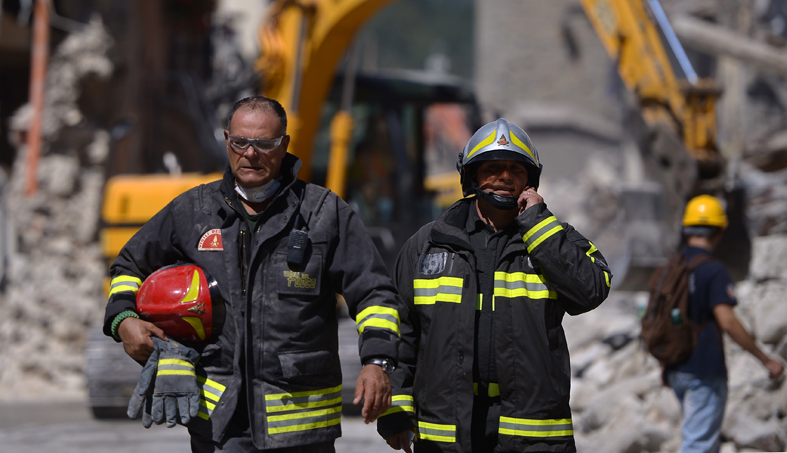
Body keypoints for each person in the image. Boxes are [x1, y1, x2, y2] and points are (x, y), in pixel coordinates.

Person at [104, 96, 402, 452]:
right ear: (227, 139)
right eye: (240, 142)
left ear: (284, 145)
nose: (250, 153)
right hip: (219, 425)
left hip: (302, 429)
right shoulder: (192, 211)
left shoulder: (324, 213)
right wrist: (124, 320)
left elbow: (374, 293)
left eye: (265, 144)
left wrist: (377, 361)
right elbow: (128, 266)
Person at [379, 118, 611, 453]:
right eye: (492, 168)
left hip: (531, 436)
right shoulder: (428, 244)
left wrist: (537, 225)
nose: (504, 177)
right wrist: (395, 410)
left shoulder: (551, 237)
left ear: (530, 180)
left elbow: (591, 290)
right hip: (448, 435)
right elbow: (399, 329)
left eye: (516, 170)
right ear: (472, 176)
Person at [664, 195, 784, 453]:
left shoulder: (672, 266)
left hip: (675, 368)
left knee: (698, 437)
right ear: (719, 232)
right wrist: (764, 359)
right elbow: (728, 322)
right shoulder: (713, 269)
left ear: (686, 228)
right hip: (703, 370)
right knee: (700, 445)